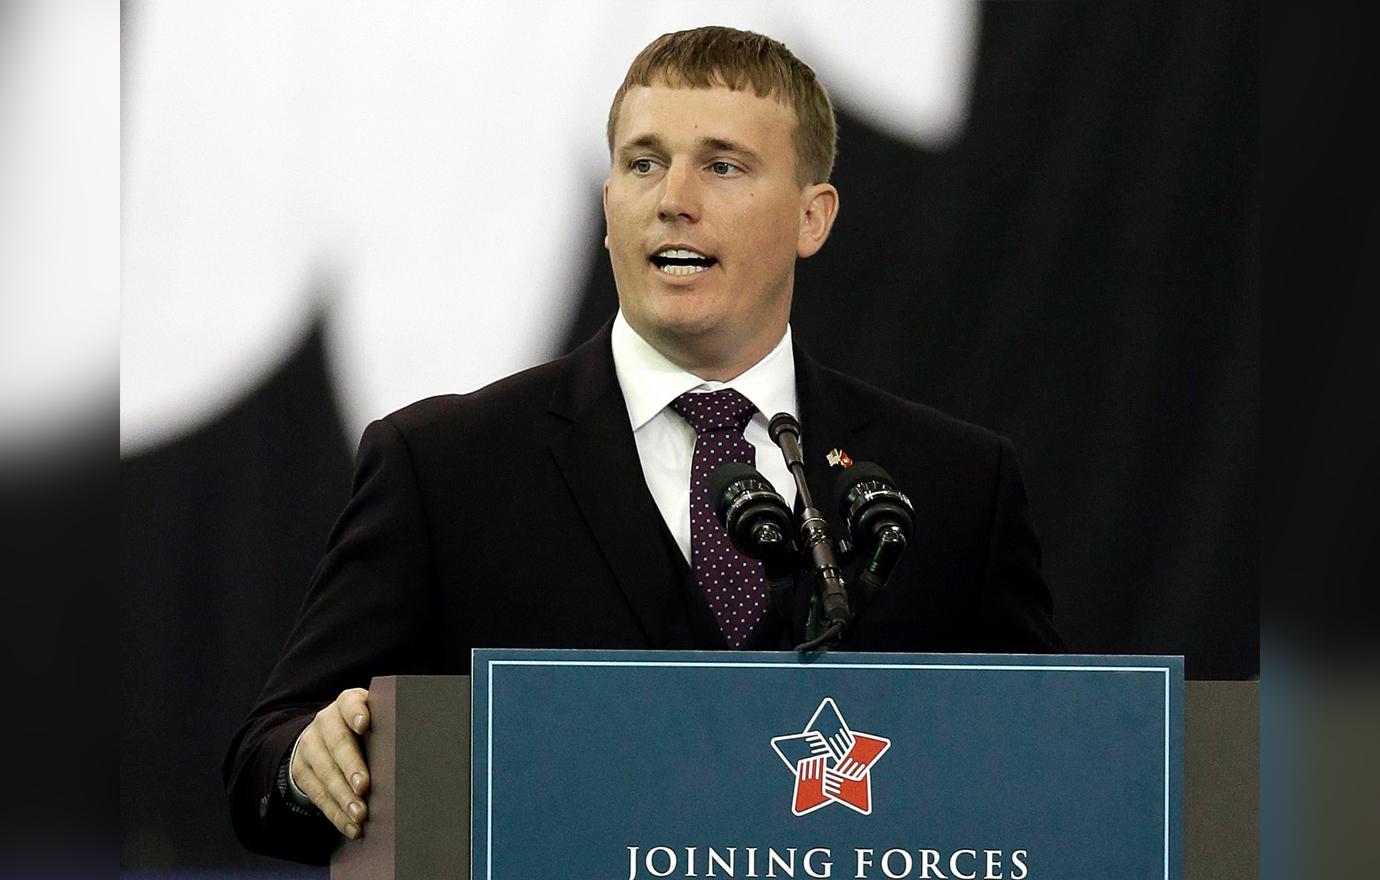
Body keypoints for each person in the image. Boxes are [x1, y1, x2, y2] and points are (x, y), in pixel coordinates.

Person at [224, 26, 1063, 865]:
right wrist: (307, 764)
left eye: (723, 165)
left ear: (813, 217)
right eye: (644, 163)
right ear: (607, 205)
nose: (673, 199)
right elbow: (267, 761)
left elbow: (1055, 769)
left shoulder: (950, 483)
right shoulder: (444, 466)